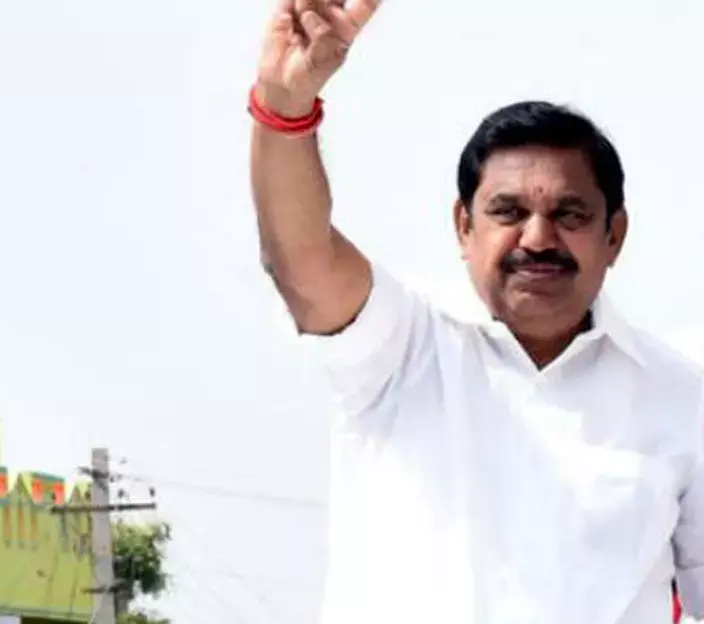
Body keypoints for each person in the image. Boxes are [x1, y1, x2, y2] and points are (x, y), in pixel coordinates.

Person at [248, 1, 704, 622]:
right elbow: (301, 262)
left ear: (614, 235)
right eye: (508, 212)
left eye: (569, 214)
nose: (537, 238)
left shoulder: (681, 400)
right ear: (463, 225)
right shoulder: (401, 347)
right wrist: (284, 106)